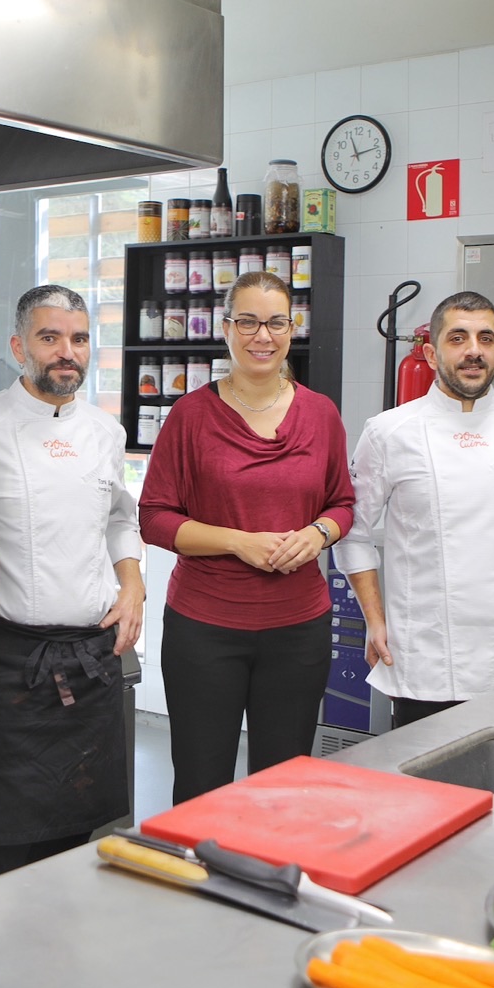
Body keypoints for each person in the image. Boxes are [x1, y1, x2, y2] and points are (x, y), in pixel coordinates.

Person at [0, 285, 144, 886]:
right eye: (50, 337)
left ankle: (59, 959)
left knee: (79, 843)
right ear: (18, 347)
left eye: (79, 339)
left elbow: (119, 519)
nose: (68, 352)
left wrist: (133, 585)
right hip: (5, 666)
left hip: (91, 663)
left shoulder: (105, 433)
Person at [139, 271, 355, 802]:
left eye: (277, 322)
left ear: (292, 328)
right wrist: (239, 541)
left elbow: (343, 503)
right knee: (200, 781)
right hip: (204, 630)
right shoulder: (190, 416)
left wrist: (319, 533)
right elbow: (155, 518)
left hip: (298, 630)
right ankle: (197, 880)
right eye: (249, 322)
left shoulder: (321, 413)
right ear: (228, 328)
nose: (264, 336)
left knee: (284, 786)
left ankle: (270, 883)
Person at [341, 290, 494, 729]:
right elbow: (353, 531)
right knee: (427, 795)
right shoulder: (389, 431)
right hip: (423, 660)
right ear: (432, 354)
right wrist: (373, 618)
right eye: (458, 338)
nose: (474, 351)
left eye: (485, 339)